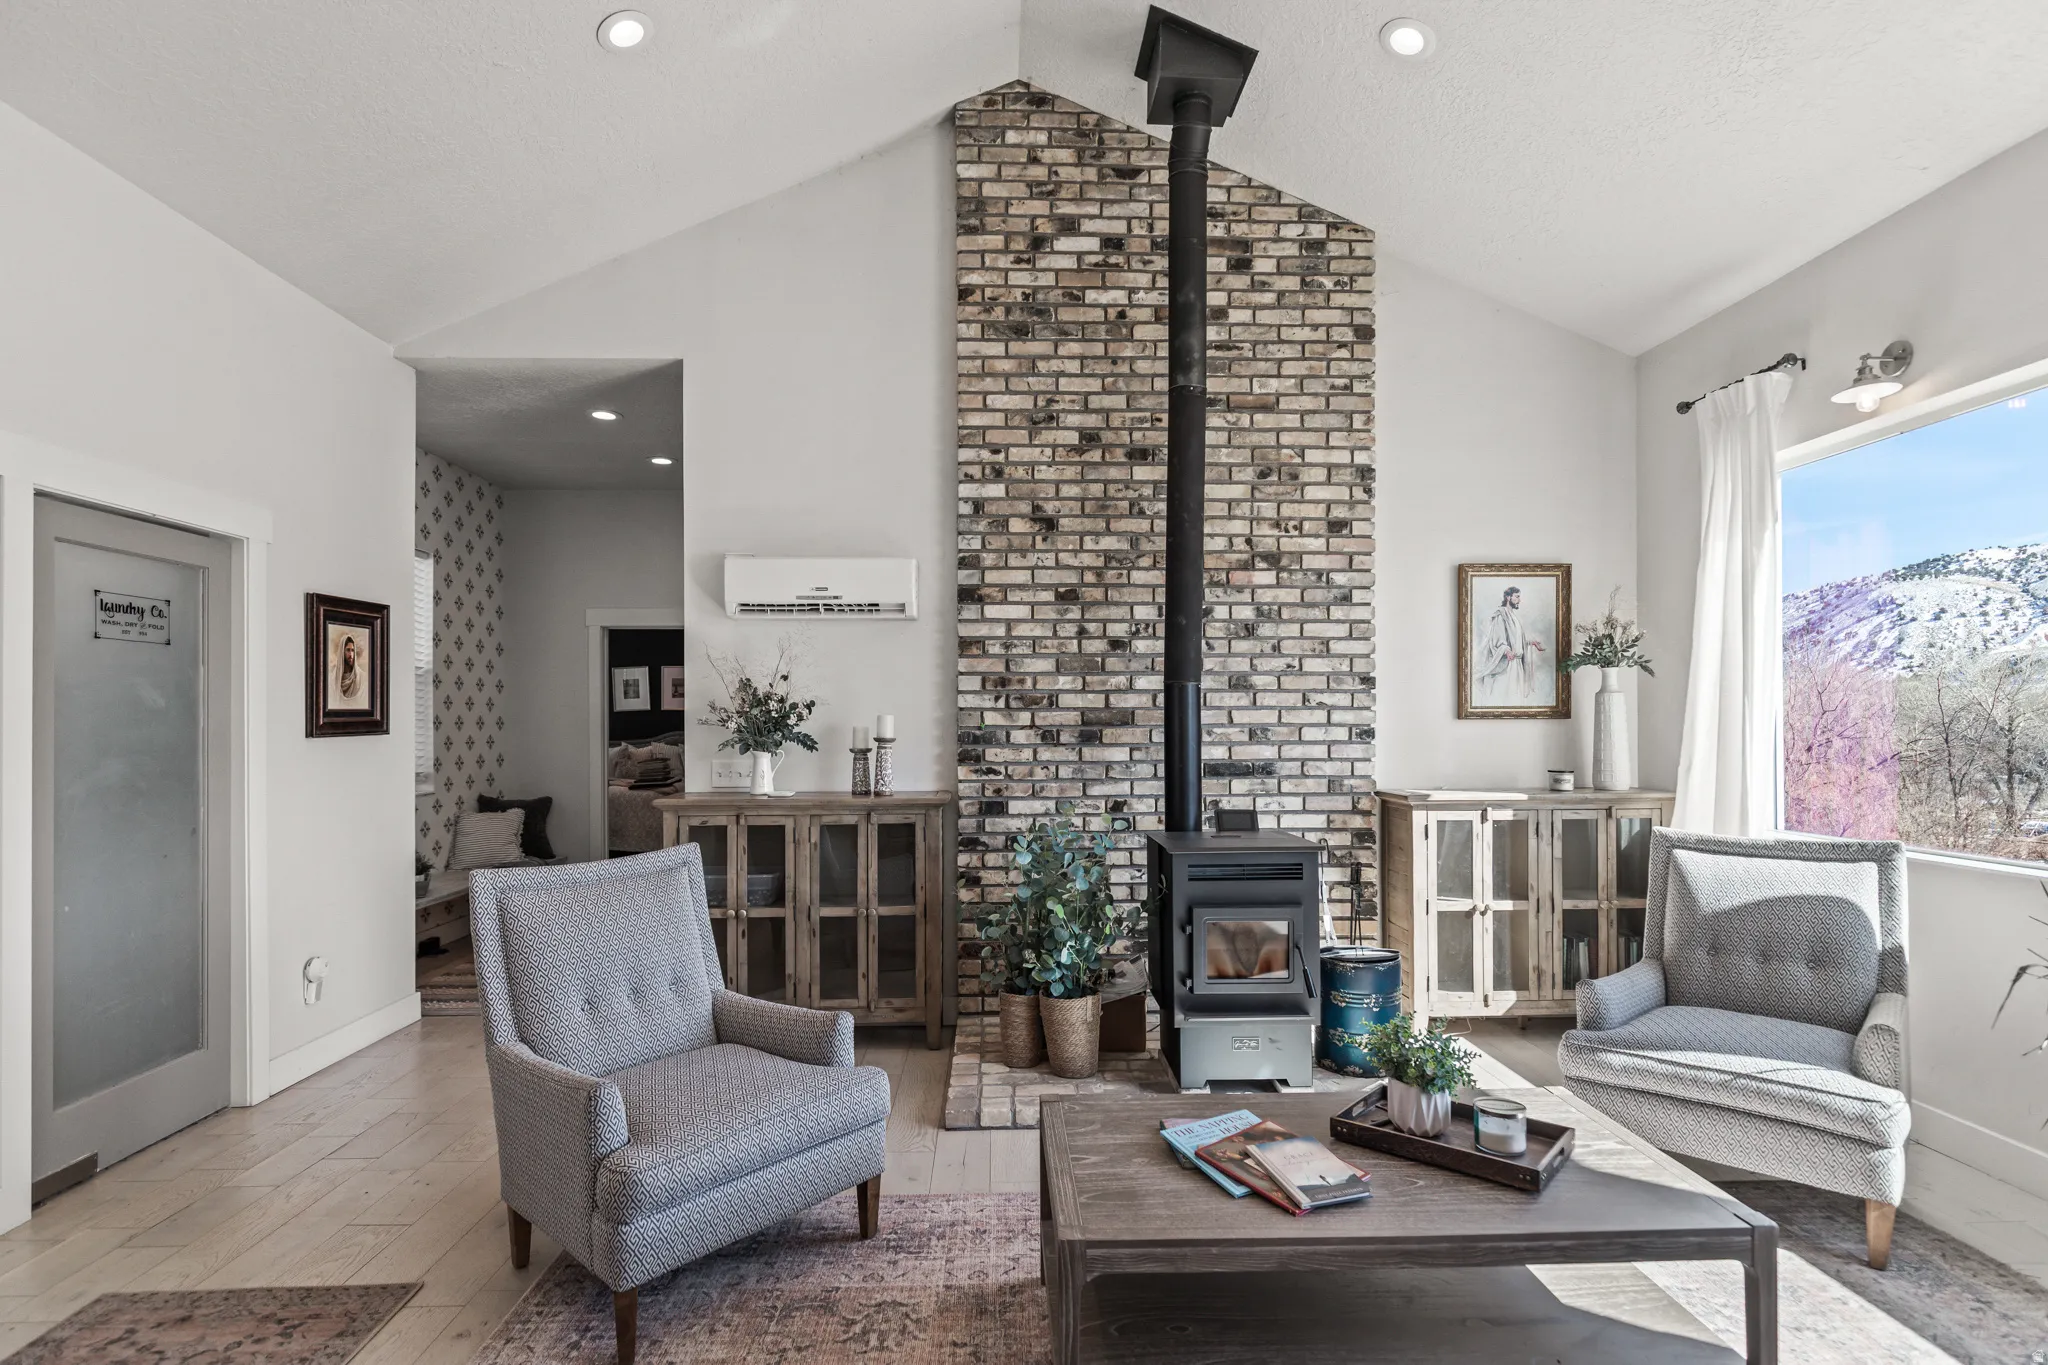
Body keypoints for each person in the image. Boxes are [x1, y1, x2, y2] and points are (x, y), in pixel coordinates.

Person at [1474, 586, 1545, 705]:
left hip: (1516, 664)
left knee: (1516, 698)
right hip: (1506, 665)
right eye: (1517, 597)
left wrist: (1530, 643)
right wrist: (1506, 651)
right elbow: (1498, 638)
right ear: (1508, 597)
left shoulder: (1513, 616)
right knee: (1504, 697)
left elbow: (1515, 640)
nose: (1519, 600)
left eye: (1519, 597)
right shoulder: (1501, 615)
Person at [336, 633, 363, 700]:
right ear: (342, 652)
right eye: (348, 650)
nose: (351, 655)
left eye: (352, 650)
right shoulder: (333, 679)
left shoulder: (362, 677)